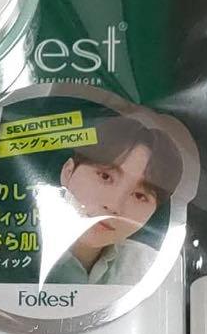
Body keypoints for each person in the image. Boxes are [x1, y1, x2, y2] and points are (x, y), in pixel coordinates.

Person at [45, 114, 184, 286]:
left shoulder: (155, 270)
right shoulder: (17, 250)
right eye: (105, 176)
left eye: (140, 196)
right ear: (68, 172)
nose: (113, 206)